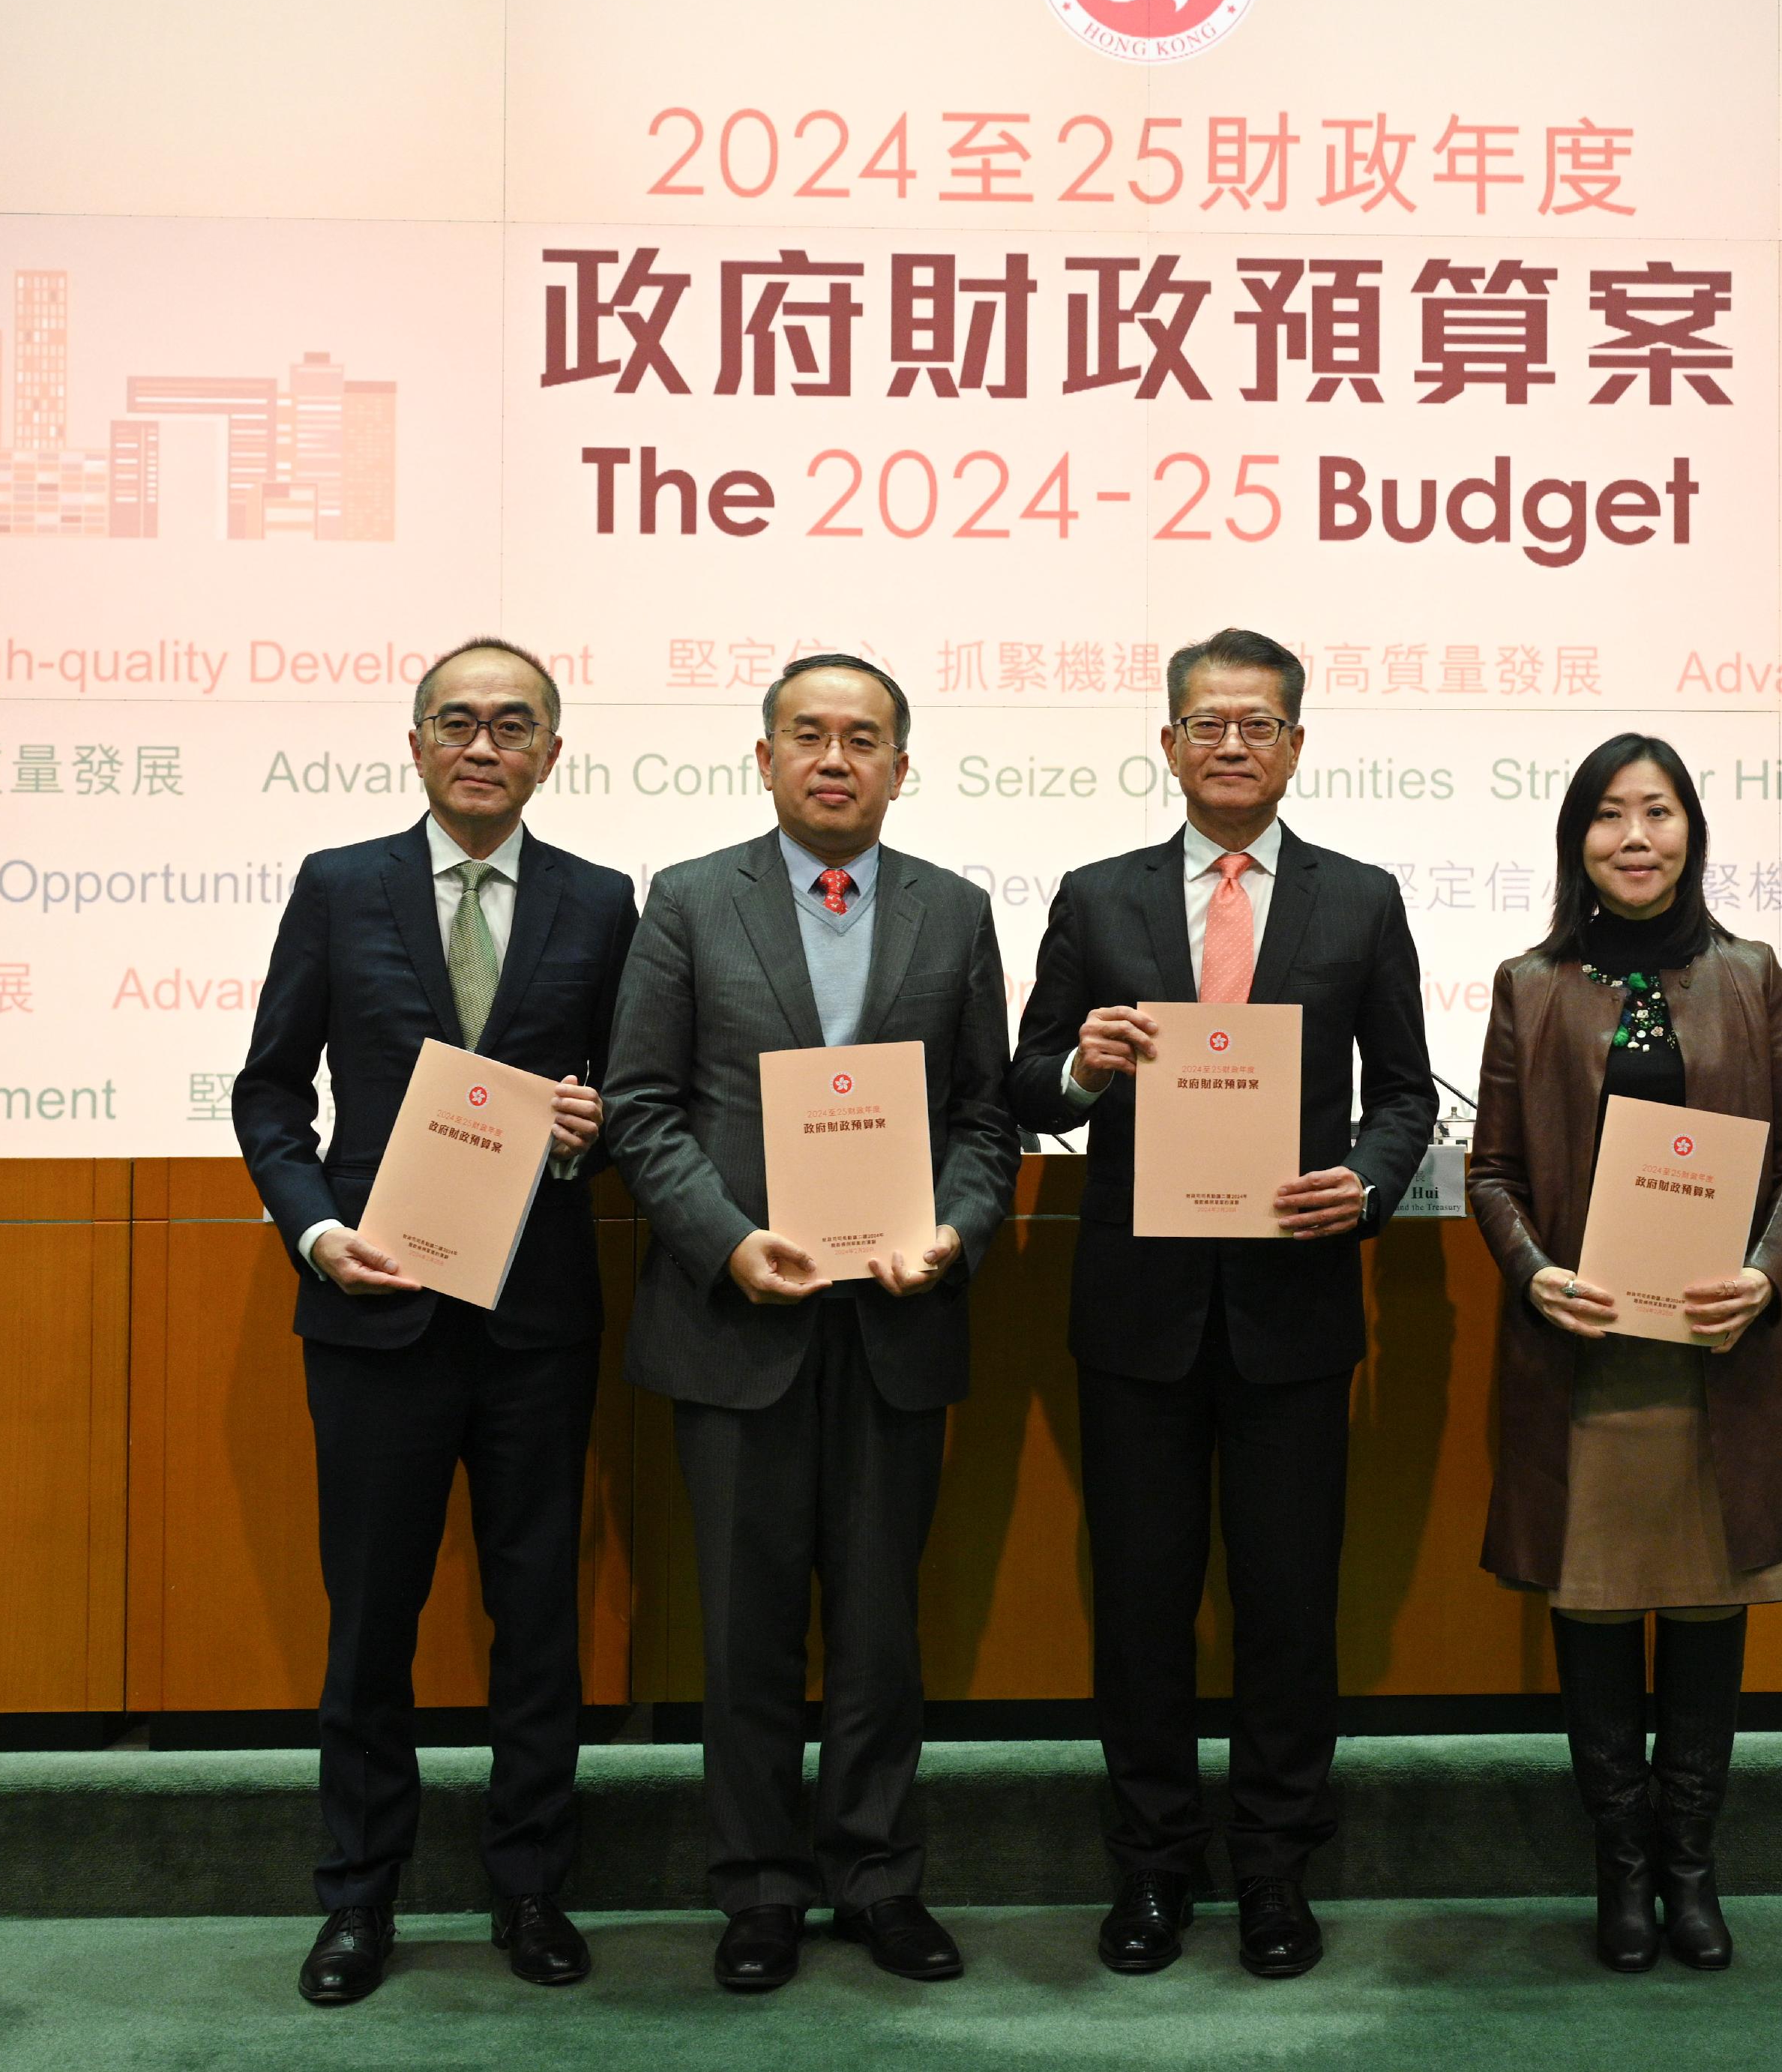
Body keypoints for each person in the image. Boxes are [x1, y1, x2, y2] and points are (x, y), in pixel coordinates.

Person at [1009, 627, 1436, 1981]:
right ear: (1169, 742)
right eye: (1208, 723)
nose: (1233, 744)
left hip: (1293, 1307)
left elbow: (1410, 1094)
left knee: (1286, 1603)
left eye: (1259, 724)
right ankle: (1148, 1874)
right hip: (1136, 1313)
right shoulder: (1097, 896)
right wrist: (1078, 1065)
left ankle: (1273, 1873)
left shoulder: (1361, 901)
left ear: (1296, 745)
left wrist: (1363, 1184)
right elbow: (1020, 1084)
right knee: (1139, 1605)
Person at [602, 654, 1020, 1994]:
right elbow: (642, 1105)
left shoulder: (955, 914)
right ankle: (760, 1890)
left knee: (884, 1631)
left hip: (895, 1321)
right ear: (766, 756)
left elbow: (985, 1117)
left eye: (864, 739)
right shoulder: (686, 903)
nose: (835, 759)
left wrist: (957, 1226)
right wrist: (728, 1244)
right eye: (809, 737)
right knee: (745, 1630)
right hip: (740, 1323)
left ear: (903, 765)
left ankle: (878, 1878)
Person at [234, 637, 638, 2008]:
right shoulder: (340, 886)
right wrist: (314, 1228)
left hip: (536, 1320)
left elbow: (631, 1103)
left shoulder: (601, 900)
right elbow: (270, 1095)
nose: (483, 746)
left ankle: (530, 1891)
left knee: (536, 1619)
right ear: (415, 745)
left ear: (550, 754)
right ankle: (358, 1902)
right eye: (457, 723)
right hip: (375, 1308)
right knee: (372, 1623)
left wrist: (590, 1134)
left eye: (512, 726)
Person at [1465, 733, 1782, 1975]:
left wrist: (1764, 1273)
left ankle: (1691, 1868)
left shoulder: (1750, 974)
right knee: (1599, 1613)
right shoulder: (1529, 985)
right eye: (1611, 815)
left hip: (1714, 1352)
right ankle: (1619, 1873)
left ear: (1692, 832)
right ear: (1577, 839)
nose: (1637, 837)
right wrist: (1536, 1273)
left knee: (1710, 1610)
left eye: (1659, 813)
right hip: (1588, 1353)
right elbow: (1494, 1171)